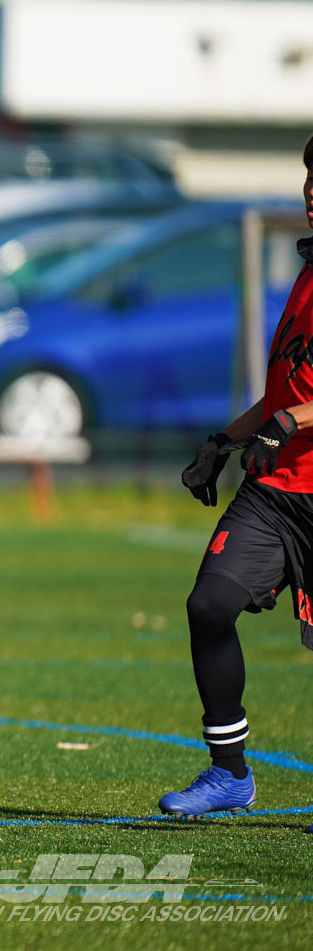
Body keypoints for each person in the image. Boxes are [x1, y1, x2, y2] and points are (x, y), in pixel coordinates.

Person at [165, 133, 313, 818]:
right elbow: (284, 393)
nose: (312, 191)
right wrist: (224, 442)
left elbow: (295, 410)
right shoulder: (307, 276)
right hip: (276, 491)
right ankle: (229, 774)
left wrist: (289, 422)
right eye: (310, 177)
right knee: (209, 604)